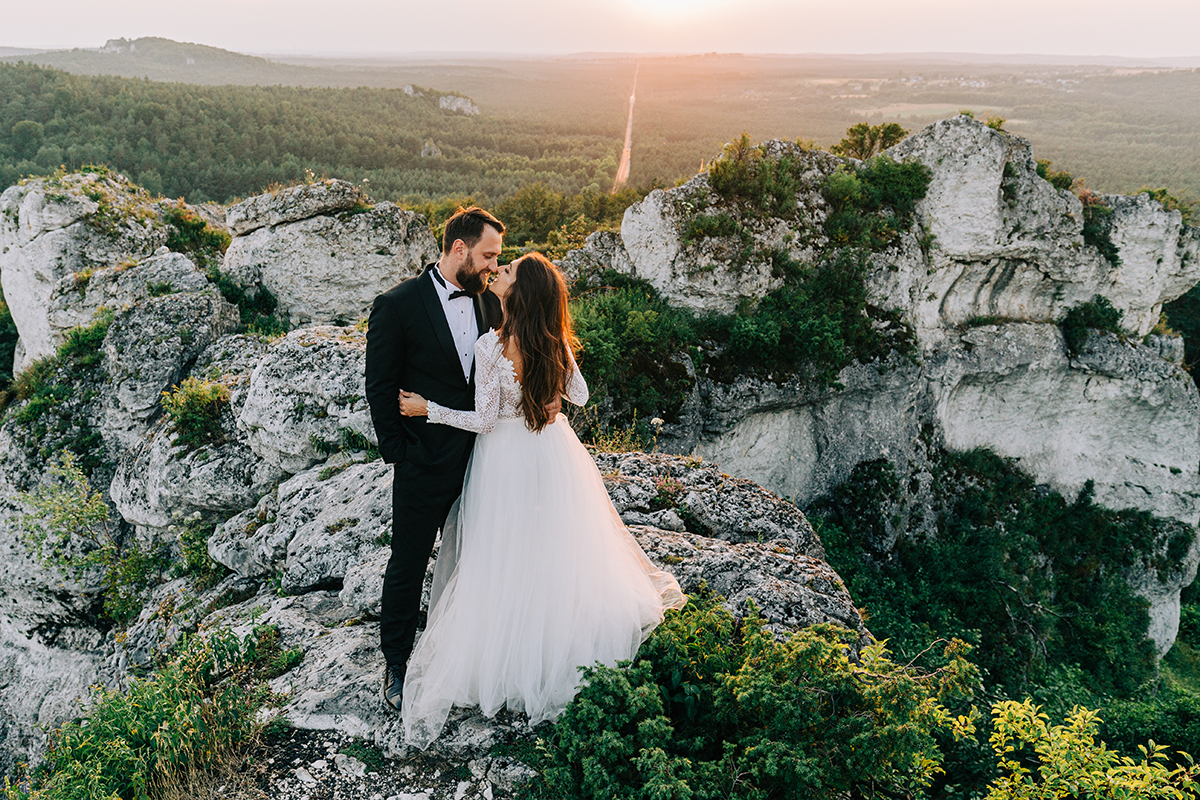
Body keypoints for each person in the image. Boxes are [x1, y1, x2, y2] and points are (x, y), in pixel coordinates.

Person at [396, 252, 685, 749]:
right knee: (553, 549)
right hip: (551, 452)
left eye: (505, 272)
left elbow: (484, 421)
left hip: (504, 459)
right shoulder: (551, 341)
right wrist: (552, 396)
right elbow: (582, 394)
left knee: (503, 554)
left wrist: (431, 409)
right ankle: (551, 644)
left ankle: (509, 655)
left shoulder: (492, 347)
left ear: (518, 292)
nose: (497, 273)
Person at [365, 206, 506, 711]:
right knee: (408, 561)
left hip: (482, 461)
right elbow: (379, 386)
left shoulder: (490, 305)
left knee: (474, 559)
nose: (493, 266)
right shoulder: (397, 305)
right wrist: (400, 452)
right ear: (459, 248)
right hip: (423, 461)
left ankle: (458, 650)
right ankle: (397, 662)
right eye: (488, 256)